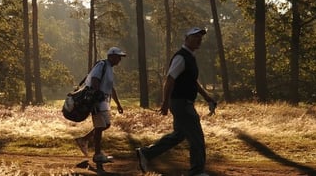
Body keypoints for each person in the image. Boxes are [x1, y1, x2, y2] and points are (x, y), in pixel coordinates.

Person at [136, 27, 217, 176]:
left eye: (200, 37)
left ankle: (146, 153)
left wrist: (206, 97)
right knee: (197, 138)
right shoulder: (181, 57)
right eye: (195, 36)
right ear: (186, 39)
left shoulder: (190, 57)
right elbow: (170, 79)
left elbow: (193, 82)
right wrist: (165, 103)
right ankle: (197, 172)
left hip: (183, 102)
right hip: (181, 103)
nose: (199, 39)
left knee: (179, 135)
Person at [74, 46, 126, 164]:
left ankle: (83, 140)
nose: (120, 59)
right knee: (99, 126)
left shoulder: (109, 69)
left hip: (104, 102)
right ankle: (97, 155)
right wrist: (97, 95)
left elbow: (111, 88)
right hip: (97, 101)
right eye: (118, 57)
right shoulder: (101, 65)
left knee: (106, 125)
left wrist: (118, 104)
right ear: (111, 56)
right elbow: (94, 80)